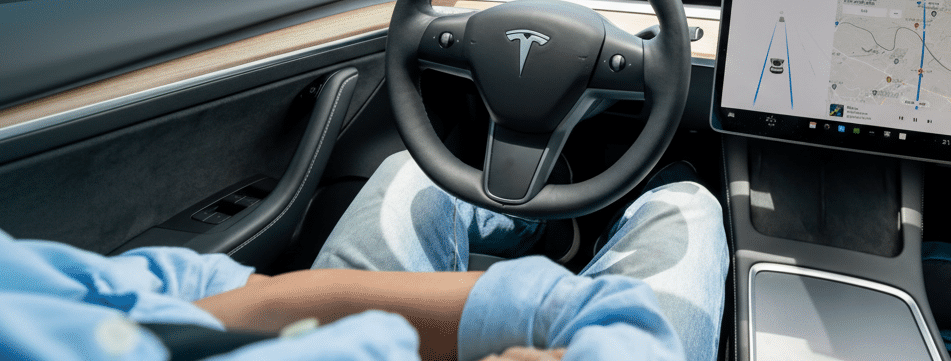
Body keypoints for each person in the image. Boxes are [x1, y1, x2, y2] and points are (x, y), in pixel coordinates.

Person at [0, 152, 730, 361]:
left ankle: (544, 230)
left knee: (416, 171)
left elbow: (170, 284)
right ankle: (580, 224)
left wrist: (263, 304)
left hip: (296, 335)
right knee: (686, 206)